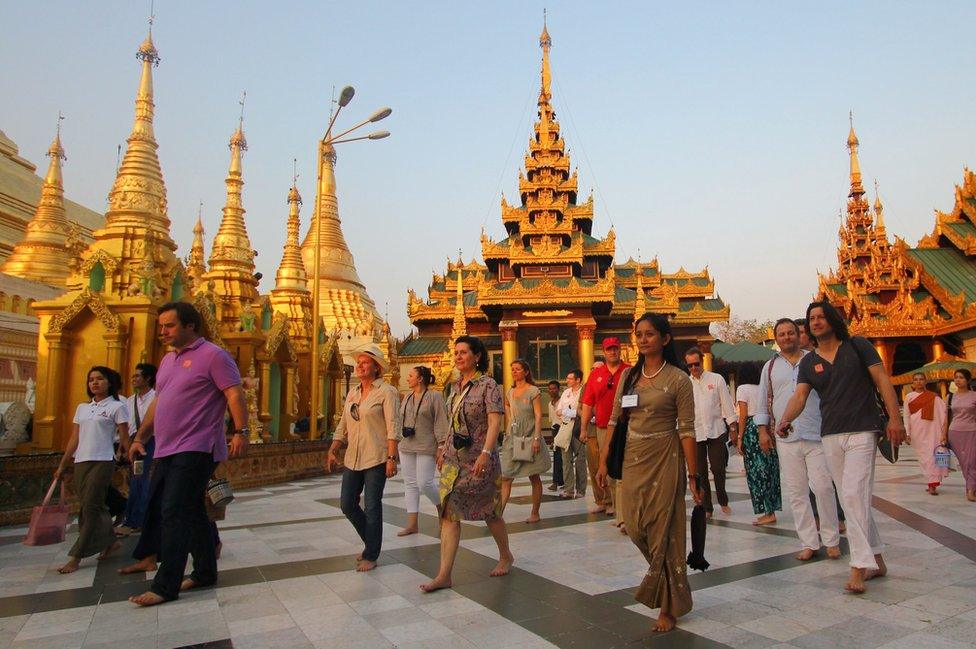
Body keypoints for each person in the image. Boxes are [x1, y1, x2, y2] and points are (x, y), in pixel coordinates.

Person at [778, 301, 905, 594]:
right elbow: (799, 397)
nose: (817, 322)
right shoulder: (809, 362)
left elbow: (882, 379)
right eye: (812, 318)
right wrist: (784, 419)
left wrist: (895, 418)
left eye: (822, 317)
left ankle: (859, 565)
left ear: (833, 320)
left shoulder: (858, 346)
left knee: (851, 494)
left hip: (863, 429)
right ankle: (878, 560)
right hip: (831, 434)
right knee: (853, 498)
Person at [127, 302, 249, 606]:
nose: (163, 332)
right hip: (167, 446)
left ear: (190, 326)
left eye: (169, 326)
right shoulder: (168, 361)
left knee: (174, 511)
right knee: (189, 510)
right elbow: (159, 403)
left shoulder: (214, 356)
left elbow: (234, 393)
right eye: (161, 326)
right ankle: (205, 571)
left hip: (197, 445)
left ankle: (165, 585)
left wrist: (241, 431)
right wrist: (140, 436)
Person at [596, 313, 700, 633]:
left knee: (663, 532)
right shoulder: (629, 377)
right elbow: (614, 420)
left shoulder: (678, 379)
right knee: (637, 527)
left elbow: (687, 430)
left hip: (665, 457)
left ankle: (669, 605)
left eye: (650, 334)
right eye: (638, 334)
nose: (642, 339)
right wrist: (603, 462)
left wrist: (694, 477)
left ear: (665, 339)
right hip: (633, 458)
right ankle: (671, 590)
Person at [421, 335, 513, 592]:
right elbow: (452, 423)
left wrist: (486, 451)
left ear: (477, 356)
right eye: (456, 352)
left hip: (480, 459)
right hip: (454, 459)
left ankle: (505, 555)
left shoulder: (488, 385)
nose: (458, 356)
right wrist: (442, 448)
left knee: (490, 512)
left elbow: (495, 422)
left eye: (463, 352)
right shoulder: (453, 387)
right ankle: (444, 574)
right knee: (449, 511)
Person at [757, 319, 840, 561]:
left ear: (799, 335)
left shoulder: (814, 360)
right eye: (781, 334)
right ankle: (809, 542)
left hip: (816, 432)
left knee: (823, 487)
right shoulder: (770, 367)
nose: (787, 337)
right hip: (787, 437)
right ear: (776, 339)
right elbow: (762, 400)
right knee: (797, 492)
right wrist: (763, 431)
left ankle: (832, 539)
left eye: (791, 333)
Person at [326, 344, 400, 571]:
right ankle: (371, 542)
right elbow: (343, 422)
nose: (360, 366)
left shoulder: (387, 392)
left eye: (365, 362)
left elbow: (393, 426)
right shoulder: (353, 392)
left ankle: (371, 554)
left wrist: (391, 457)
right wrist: (333, 447)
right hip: (353, 456)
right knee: (347, 504)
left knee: (371, 505)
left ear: (376, 368)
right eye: (358, 362)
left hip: (377, 456)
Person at [53, 367, 129, 574]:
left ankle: (76, 556)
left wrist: (128, 455)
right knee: (92, 505)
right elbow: (74, 438)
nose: (94, 383)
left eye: (100, 379)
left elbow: (124, 438)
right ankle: (110, 542)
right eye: (91, 380)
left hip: (102, 460)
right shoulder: (82, 408)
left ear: (109, 382)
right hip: (81, 460)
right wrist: (63, 464)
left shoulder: (116, 407)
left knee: (90, 508)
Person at [797, 318, 847, 533]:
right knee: (809, 480)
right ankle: (817, 516)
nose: (797, 337)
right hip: (801, 430)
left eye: (800, 332)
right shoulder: (788, 364)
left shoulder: (820, 359)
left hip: (826, 426)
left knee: (829, 479)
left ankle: (840, 516)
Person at [397, 366, 449, 536]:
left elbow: (441, 421)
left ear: (420, 379)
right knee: (410, 484)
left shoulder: (434, 397)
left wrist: (441, 446)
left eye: (411, 375)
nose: (407, 378)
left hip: (427, 445)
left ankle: (441, 506)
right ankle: (412, 524)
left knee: (424, 483)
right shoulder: (407, 397)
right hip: (407, 445)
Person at [580, 339, 630, 518]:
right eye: (609, 349)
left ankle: (623, 507)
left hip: (626, 426)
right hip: (602, 426)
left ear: (620, 350)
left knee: (625, 464)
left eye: (616, 349)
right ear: (604, 351)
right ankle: (608, 502)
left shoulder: (629, 371)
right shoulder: (596, 374)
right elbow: (587, 403)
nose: (613, 352)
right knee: (606, 464)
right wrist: (584, 428)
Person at [686, 347, 737, 518]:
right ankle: (708, 507)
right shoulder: (686, 383)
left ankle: (722, 498)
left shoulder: (716, 379)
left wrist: (733, 427)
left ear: (702, 361)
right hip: (697, 431)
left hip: (716, 429)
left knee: (718, 467)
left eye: (696, 364)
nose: (694, 368)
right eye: (690, 366)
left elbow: (727, 404)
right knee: (700, 471)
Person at [500, 359, 550, 522]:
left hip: (529, 435)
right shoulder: (510, 391)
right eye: (512, 369)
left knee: (533, 476)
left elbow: (537, 415)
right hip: (514, 436)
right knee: (506, 475)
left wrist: (536, 437)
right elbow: (507, 406)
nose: (514, 372)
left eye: (518, 369)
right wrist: (510, 423)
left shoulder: (533, 390)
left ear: (526, 372)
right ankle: (498, 513)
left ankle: (535, 512)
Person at [736, 362, 781, 526]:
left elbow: (742, 415)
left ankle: (767, 511)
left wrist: (740, 437)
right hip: (766, 426)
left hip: (751, 429)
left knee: (756, 472)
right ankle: (772, 509)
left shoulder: (742, 389)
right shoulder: (762, 388)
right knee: (769, 469)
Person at [115, 363, 158, 536]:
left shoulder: (156, 397)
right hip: (134, 441)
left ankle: (140, 519)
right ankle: (132, 518)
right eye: (133, 376)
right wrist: (122, 447)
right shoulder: (129, 400)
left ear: (148, 378)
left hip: (152, 441)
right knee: (136, 480)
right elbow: (126, 427)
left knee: (144, 480)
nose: (134, 379)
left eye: (138, 376)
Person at [903, 372, 948, 495]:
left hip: (933, 431)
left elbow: (943, 415)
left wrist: (943, 433)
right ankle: (930, 481)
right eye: (916, 380)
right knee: (924, 458)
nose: (919, 382)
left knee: (932, 457)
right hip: (917, 432)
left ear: (925, 381)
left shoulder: (934, 397)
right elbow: (906, 416)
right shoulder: (909, 397)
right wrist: (907, 433)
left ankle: (932, 484)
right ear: (913, 382)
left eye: (921, 379)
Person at [945, 369, 976, 502]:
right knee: (964, 463)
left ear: (968, 380)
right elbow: (946, 418)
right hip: (954, 432)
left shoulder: (974, 395)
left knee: (973, 461)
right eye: (956, 377)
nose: (958, 380)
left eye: (961, 377)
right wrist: (943, 435)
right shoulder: (950, 397)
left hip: (972, 431)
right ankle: (972, 487)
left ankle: (970, 490)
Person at [555, 369, 587, 500]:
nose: (567, 380)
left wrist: (569, 412)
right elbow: (559, 410)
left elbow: (584, 411)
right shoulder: (566, 392)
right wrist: (571, 412)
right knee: (566, 459)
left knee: (580, 459)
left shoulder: (584, 391)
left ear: (578, 380)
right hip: (566, 426)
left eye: (570, 378)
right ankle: (568, 489)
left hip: (579, 427)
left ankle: (581, 489)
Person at [546, 380, 565, 492]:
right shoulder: (549, 404)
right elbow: (552, 421)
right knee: (557, 457)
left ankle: (558, 481)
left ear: (558, 389)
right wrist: (553, 438)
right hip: (555, 430)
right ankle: (558, 481)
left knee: (562, 458)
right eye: (550, 389)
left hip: (563, 429)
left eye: (554, 388)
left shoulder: (562, 402)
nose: (552, 391)